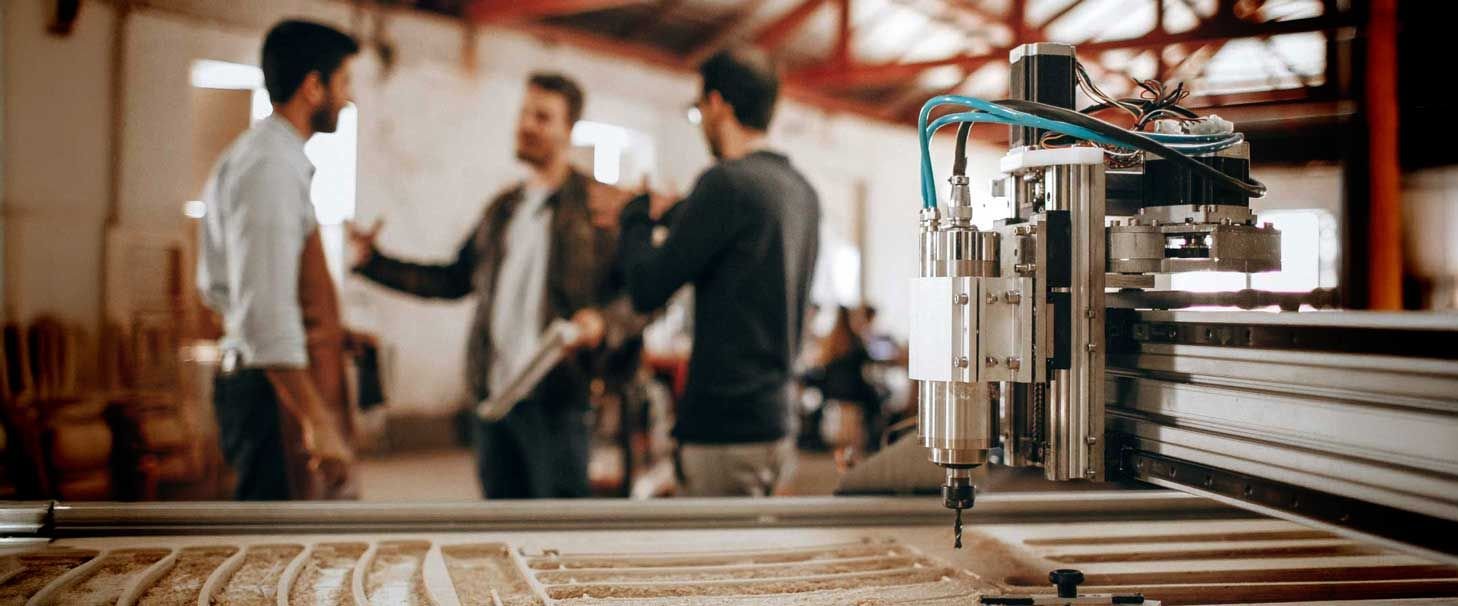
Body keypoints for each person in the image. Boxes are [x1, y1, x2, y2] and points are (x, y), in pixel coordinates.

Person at [347, 73, 629, 499]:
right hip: (493, 402)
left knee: (559, 537)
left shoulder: (598, 209)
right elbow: (453, 279)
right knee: (499, 531)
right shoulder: (503, 210)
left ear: (568, 129)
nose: (526, 125)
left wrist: (603, 323)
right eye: (523, 113)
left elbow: (637, 295)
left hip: (557, 402)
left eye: (542, 117)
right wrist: (375, 264)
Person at [617, 48, 821, 497]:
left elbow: (647, 288)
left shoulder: (725, 182)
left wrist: (634, 218)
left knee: (718, 563)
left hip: (724, 429)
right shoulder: (801, 192)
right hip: (777, 425)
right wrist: (677, 215)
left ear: (718, 105)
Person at [197, 20, 358, 500]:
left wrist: (336, 330)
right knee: (272, 558)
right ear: (314, 87)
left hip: (272, 386)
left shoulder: (276, 158)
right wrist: (317, 422)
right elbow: (264, 311)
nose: (349, 100)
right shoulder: (269, 166)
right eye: (344, 82)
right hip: (269, 395)